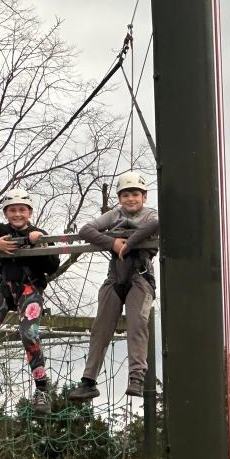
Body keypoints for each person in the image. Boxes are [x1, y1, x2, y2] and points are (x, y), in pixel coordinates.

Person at [0, 188, 60, 415]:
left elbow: (52, 265)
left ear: (29, 212)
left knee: (28, 333)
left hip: (29, 289)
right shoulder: (0, 231)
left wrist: (39, 245)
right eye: (12, 210)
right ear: (6, 213)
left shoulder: (38, 234)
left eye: (22, 210)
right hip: (5, 288)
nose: (17, 214)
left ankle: (42, 389)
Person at [68, 171, 158, 400]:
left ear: (144, 196)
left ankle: (136, 377)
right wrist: (112, 243)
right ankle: (88, 381)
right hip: (115, 276)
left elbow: (156, 224)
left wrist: (129, 243)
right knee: (101, 327)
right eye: (125, 195)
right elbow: (86, 230)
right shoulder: (114, 214)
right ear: (119, 198)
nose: (130, 199)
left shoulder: (150, 215)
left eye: (135, 194)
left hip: (140, 276)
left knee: (137, 324)